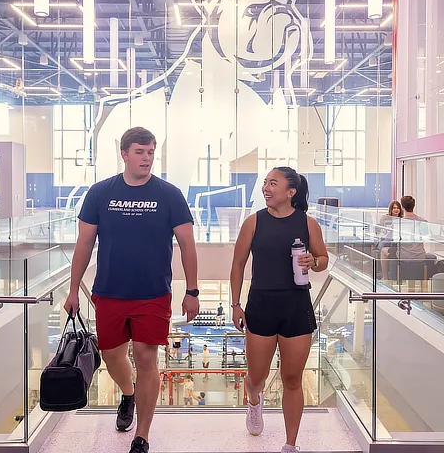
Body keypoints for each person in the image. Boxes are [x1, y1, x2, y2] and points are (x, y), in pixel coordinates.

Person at [63, 127, 200, 453]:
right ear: (124, 154)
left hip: (153, 294)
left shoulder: (169, 195)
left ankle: (143, 435)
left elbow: (187, 245)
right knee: (111, 355)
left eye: (151, 152)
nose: (147, 158)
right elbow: (84, 244)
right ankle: (128, 393)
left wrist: (192, 290)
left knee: (146, 357)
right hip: (109, 291)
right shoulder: (100, 193)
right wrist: (72, 291)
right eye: (140, 152)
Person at [230, 167, 328, 453]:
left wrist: (314, 261)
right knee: (256, 377)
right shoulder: (253, 222)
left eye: (273, 183)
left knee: (292, 379)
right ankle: (253, 402)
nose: (266, 188)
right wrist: (236, 304)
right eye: (265, 183)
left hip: (296, 306)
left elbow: (323, 259)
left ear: (291, 192)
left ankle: (290, 444)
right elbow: (237, 265)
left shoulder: (308, 224)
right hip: (261, 304)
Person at [378, 200, 403, 280]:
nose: (396, 210)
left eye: (398, 208)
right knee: (383, 244)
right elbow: (380, 230)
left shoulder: (403, 219)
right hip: (386, 239)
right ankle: (385, 275)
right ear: (391, 209)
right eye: (394, 208)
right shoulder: (385, 218)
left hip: (398, 240)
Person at [398, 195, 428, 260]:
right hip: (419, 255)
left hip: (403, 256)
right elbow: (426, 237)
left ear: (402, 207)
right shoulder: (423, 221)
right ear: (414, 206)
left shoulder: (398, 222)